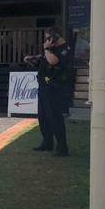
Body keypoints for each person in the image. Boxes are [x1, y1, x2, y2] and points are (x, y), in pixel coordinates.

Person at [24, 26, 72, 157]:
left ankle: (62, 148)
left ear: (55, 37)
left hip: (55, 88)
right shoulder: (53, 49)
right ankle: (47, 143)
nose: (47, 41)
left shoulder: (64, 49)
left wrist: (46, 48)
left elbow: (53, 60)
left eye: (48, 38)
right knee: (43, 117)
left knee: (55, 117)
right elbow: (45, 60)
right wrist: (33, 58)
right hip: (45, 86)